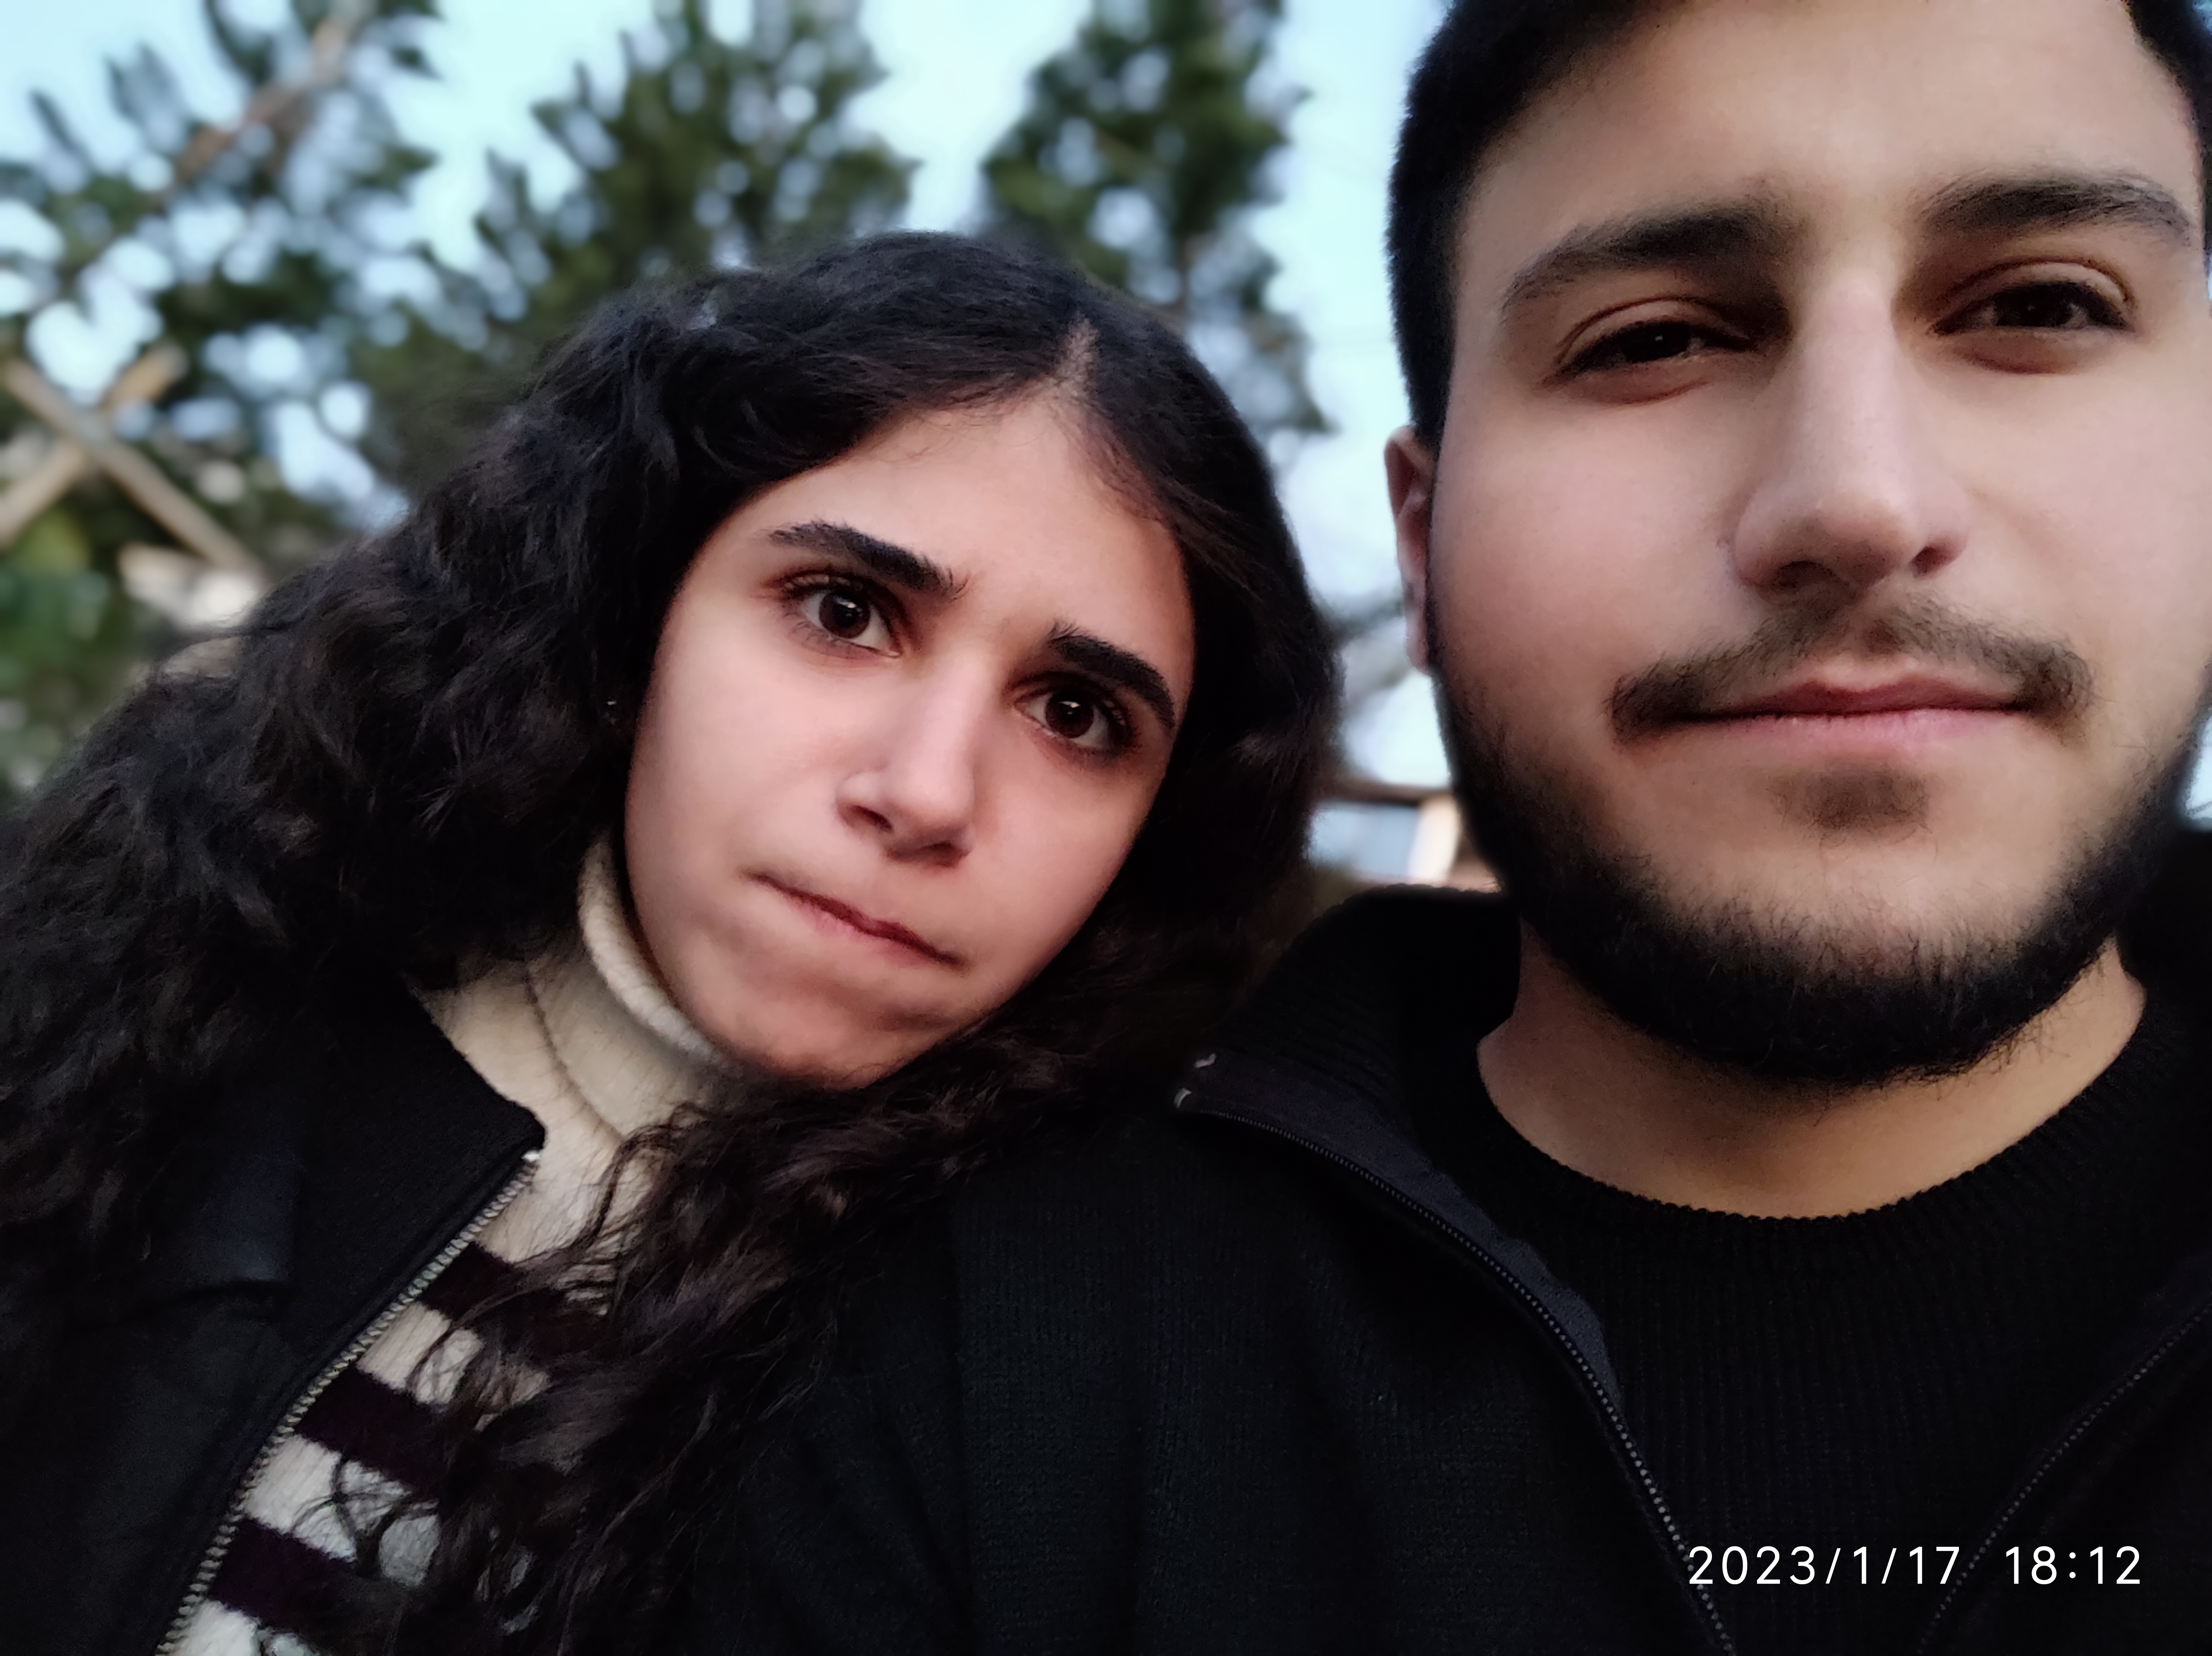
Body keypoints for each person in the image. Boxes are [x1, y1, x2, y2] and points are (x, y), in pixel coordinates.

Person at [674, 3, 2212, 1653]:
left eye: (2042, 304)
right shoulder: (968, 1375)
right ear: (1421, 549)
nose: (1859, 499)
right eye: (1651, 338)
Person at [0, 233, 1337, 1656]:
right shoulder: (171, 993)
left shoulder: (1056, 1391)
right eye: (844, 612)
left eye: (1075, 714)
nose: (928, 792)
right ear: (644, 613)